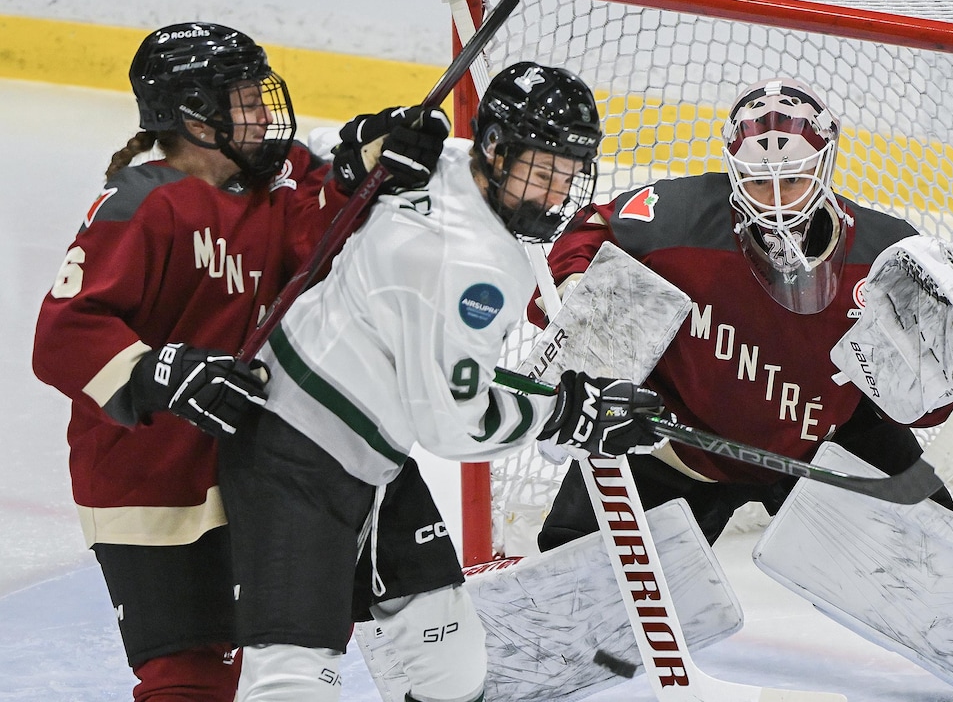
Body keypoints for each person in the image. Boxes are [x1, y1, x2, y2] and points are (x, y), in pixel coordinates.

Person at [214, 61, 665, 702]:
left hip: (375, 456)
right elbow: (454, 426)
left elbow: (304, 153)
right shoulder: (478, 269)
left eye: (568, 175)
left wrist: (362, 148)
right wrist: (570, 414)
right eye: (542, 173)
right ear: (496, 151)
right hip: (293, 453)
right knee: (294, 680)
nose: (555, 195)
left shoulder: (439, 160)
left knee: (450, 665)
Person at [29, 22, 446, 702]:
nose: (263, 113)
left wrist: (369, 158)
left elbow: (319, 232)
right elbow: (63, 333)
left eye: (259, 94)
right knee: (191, 679)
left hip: (249, 466)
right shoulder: (141, 204)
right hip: (147, 481)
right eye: (244, 99)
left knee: (307, 645)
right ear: (193, 113)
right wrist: (159, 371)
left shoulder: (273, 185)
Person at [532, 77, 953, 551]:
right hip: (674, 445)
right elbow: (593, 225)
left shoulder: (885, 254)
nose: (772, 197)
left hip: (821, 447)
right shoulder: (682, 217)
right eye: (755, 180)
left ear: (824, 166)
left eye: (791, 179)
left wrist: (933, 378)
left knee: (934, 563)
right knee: (576, 579)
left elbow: (928, 406)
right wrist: (572, 283)